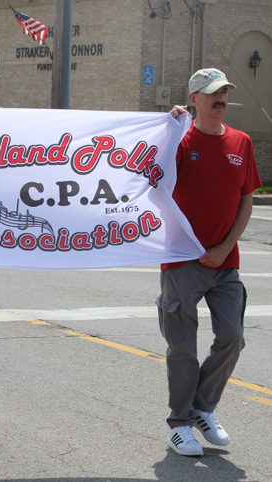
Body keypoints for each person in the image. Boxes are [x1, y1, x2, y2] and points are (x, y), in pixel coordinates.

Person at [157, 68, 261, 457]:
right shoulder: (180, 139)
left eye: (225, 92)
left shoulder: (242, 141)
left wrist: (225, 246)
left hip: (225, 263)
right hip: (182, 260)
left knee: (232, 337)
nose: (221, 98)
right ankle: (179, 424)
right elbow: (151, 178)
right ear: (194, 98)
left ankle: (201, 408)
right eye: (213, 93)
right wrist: (165, 130)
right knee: (182, 346)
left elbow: (247, 197)